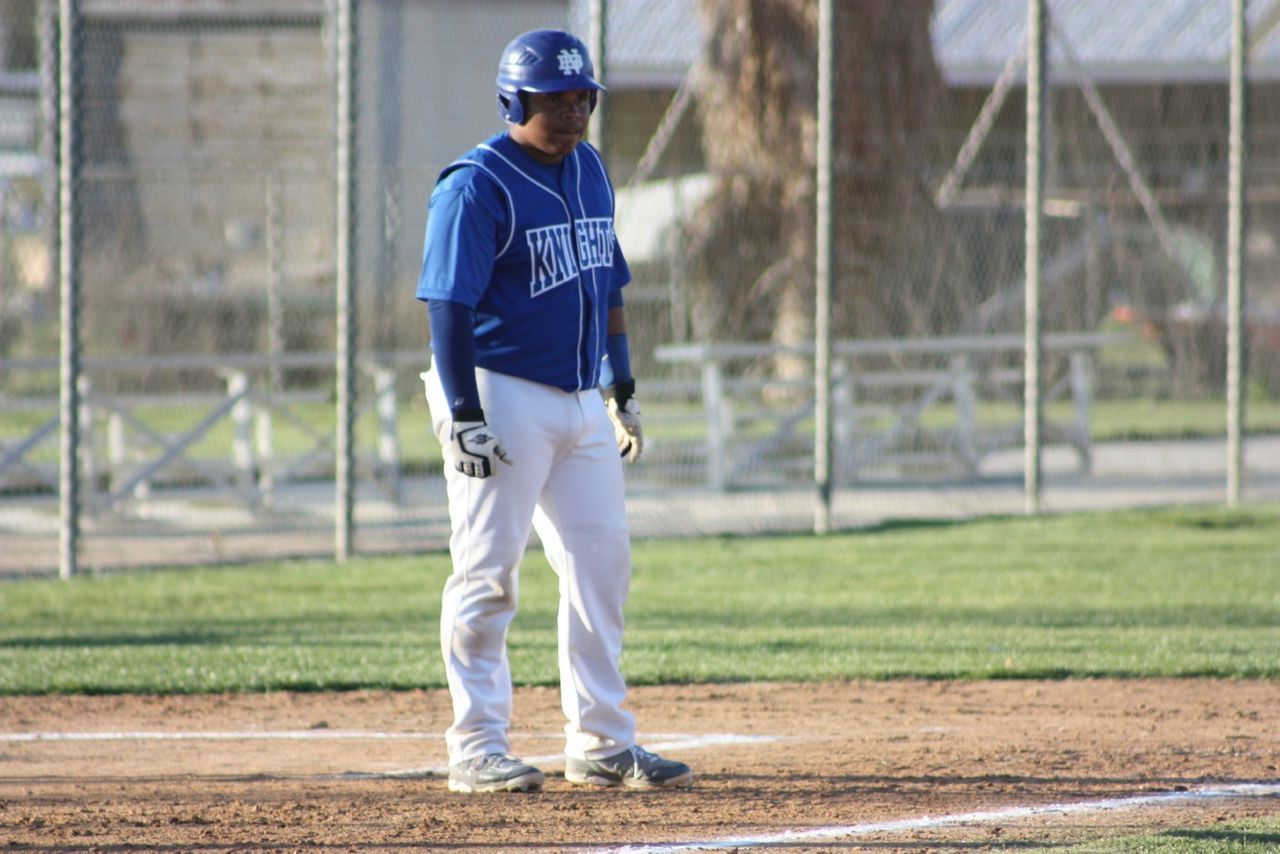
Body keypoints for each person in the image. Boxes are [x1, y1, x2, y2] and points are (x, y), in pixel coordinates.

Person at [415, 28, 694, 794]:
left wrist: (622, 387)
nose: (572, 111)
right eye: (555, 98)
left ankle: (601, 742)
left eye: (582, 98)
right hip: (499, 392)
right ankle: (475, 745)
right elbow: (448, 304)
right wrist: (464, 412)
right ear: (515, 99)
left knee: (602, 566)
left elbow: (608, 287)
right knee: (487, 575)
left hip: (580, 401)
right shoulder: (478, 183)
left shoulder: (594, 169)